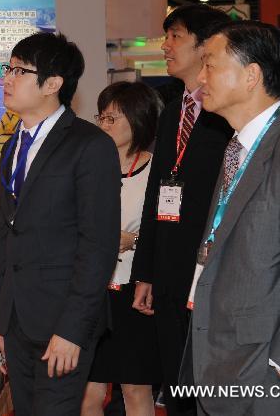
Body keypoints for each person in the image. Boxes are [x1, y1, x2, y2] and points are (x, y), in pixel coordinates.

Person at [183, 21, 280, 415]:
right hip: (219, 358)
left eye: (210, 65)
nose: (200, 77)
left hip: (264, 371)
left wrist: (279, 365)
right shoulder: (237, 148)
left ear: (251, 75)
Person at [0, 32, 120, 415]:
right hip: (17, 322)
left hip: (63, 322)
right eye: (7, 68)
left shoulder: (90, 145)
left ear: (53, 84)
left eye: (20, 70)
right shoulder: (13, 144)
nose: (8, 78)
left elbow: (97, 245)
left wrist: (73, 330)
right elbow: (5, 233)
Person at [129, 5, 232, 416]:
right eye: (166, 36)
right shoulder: (173, 111)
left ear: (206, 46)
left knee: (214, 387)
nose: (165, 46)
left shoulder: (226, 113)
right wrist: (146, 273)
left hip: (210, 272)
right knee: (176, 386)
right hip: (170, 270)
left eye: (176, 37)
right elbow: (158, 191)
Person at [82, 82, 164, 416]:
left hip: (134, 294)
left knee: (135, 389)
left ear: (137, 119)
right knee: (88, 394)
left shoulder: (158, 170)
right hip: (92, 292)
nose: (104, 126)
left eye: (112, 118)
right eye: (101, 118)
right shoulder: (87, 168)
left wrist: (133, 241)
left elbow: (169, 233)